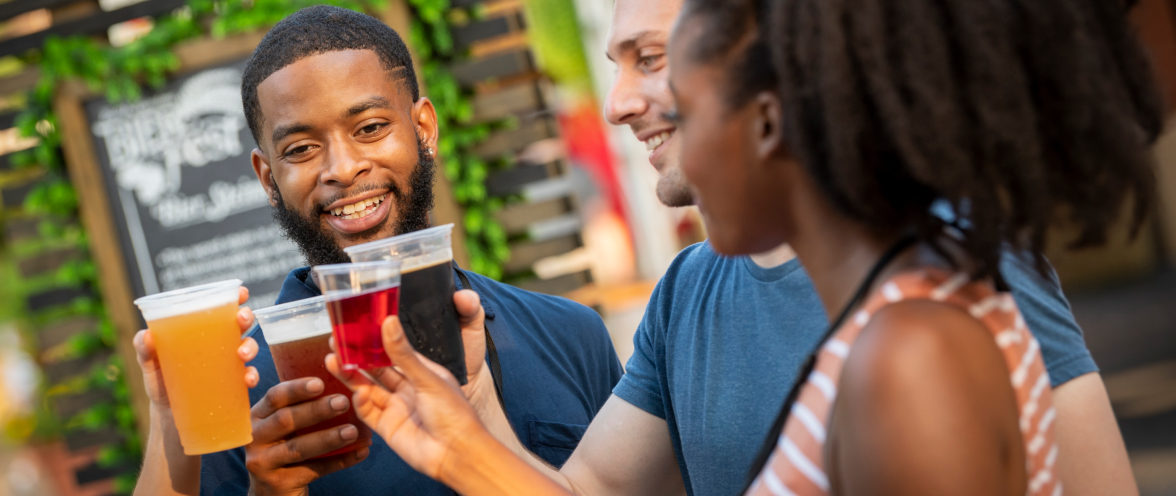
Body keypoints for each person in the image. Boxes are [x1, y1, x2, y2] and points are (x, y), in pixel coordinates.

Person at [325, 0, 1160, 494]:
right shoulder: (829, 314)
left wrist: (469, 453)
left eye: (664, 69)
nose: (625, 108)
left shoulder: (915, 353)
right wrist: (468, 424)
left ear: (772, 110)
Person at [130, 6, 623, 496]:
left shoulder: (570, 335)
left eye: (369, 128)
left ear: (424, 129)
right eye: (301, 149)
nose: (342, 168)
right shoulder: (241, 390)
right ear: (268, 179)